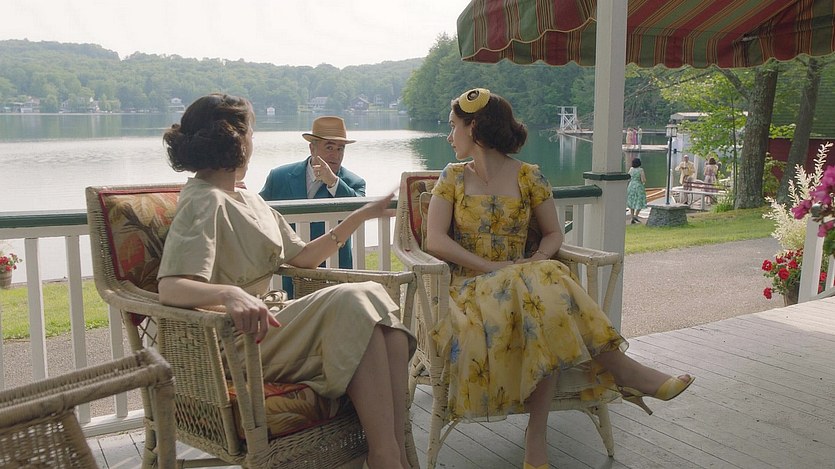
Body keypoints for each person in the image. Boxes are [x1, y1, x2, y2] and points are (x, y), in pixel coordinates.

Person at [425, 88, 694, 469]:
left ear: (475, 127)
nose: (449, 136)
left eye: (454, 126)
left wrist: (534, 260)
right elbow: (434, 240)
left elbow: (553, 234)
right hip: (470, 289)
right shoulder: (452, 177)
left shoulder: (529, 176)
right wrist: (492, 268)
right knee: (545, 287)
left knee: (542, 296)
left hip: (524, 282)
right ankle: (623, 372)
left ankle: (537, 438)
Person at [157, 94, 415, 469]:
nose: (253, 142)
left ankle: (392, 453)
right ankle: (385, 457)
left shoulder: (246, 198)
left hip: (271, 328)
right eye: (251, 132)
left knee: (383, 320)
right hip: (236, 338)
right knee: (355, 300)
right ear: (235, 139)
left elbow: (302, 258)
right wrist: (229, 294)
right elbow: (170, 287)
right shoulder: (203, 201)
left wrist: (359, 216)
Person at [260, 116, 365, 297]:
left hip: (334, 270)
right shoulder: (279, 177)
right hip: (288, 270)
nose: (336, 155)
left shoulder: (353, 182)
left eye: (340, 148)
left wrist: (333, 182)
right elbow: (257, 212)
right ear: (312, 148)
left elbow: (358, 211)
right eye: (329, 147)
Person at [626, 157, 647, 223]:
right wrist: (643, 181)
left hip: (631, 185)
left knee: (631, 201)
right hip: (638, 186)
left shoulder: (631, 169)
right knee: (640, 201)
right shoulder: (641, 170)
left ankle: (632, 216)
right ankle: (636, 216)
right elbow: (643, 180)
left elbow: (628, 177)